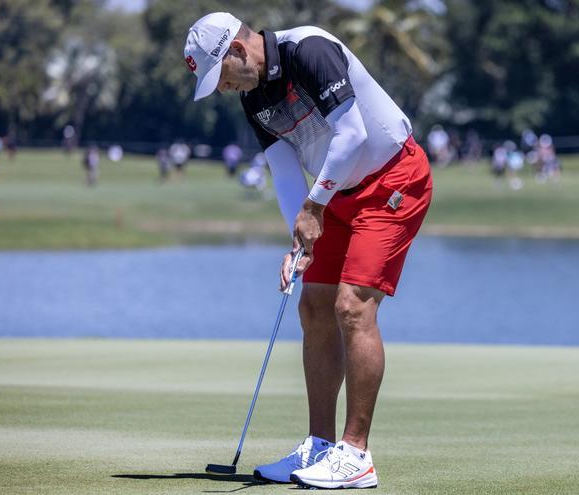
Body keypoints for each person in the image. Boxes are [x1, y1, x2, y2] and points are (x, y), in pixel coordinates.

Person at [185, 13, 433, 489]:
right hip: (334, 193)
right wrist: (296, 240)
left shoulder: (309, 50)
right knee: (313, 305)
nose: (223, 89)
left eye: (221, 78)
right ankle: (320, 447)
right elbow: (282, 171)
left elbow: (354, 135)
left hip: (392, 181)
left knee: (352, 307)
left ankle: (355, 455)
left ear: (238, 50)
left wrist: (313, 206)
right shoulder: (254, 97)